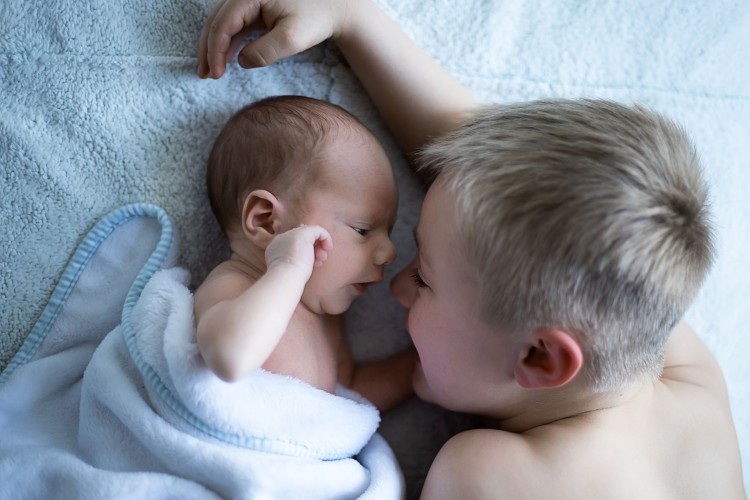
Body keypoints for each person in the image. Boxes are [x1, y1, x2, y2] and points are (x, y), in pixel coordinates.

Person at [198, 1, 747, 498]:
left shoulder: (488, 475)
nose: (397, 286)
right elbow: (483, 175)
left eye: (426, 280)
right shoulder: (682, 367)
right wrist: (353, 22)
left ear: (539, 357)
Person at [193, 94, 415, 412]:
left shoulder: (326, 320)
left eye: (388, 232)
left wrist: (416, 367)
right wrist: (287, 267)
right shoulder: (234, 285)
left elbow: (347, 394)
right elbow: (230, 358)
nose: (388, 253)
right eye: (363, 230)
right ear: (266, 220)